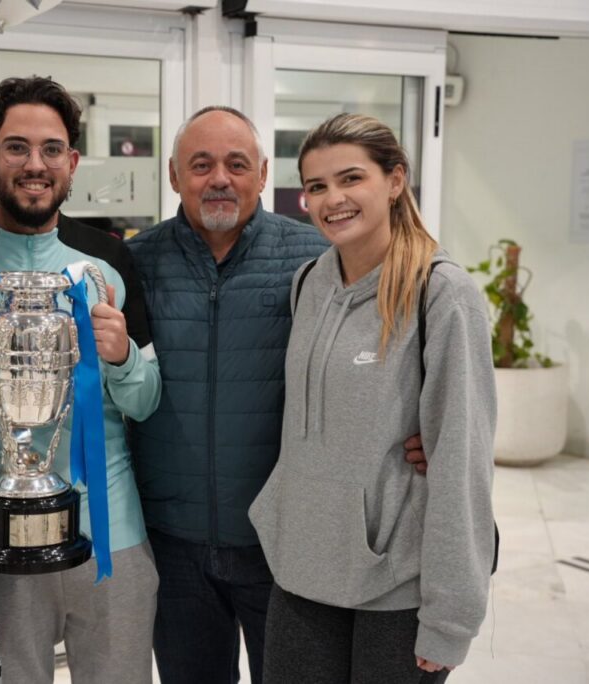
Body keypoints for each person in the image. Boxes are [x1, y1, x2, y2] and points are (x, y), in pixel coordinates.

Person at [249, 113, 496, 683]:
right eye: (316, 186)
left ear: (394, 180)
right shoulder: (309, 282)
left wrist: (450, 617)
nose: (332, 198)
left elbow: (461, 464)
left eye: (350, 178)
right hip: (301, 572)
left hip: (394, 586)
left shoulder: (442, 293)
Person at [0, 76, 162, 684]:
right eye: (16, 148)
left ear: (72, 162)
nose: (34, 165)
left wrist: (122, 358)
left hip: (112, 537)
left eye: (51, 149)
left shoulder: (110, 260)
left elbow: (146, 403)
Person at [125, 106, 329, 683]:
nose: (219, 178)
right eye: (201, 164)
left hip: (281, 546)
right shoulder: (134, 264)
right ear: (173, 176)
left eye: (236, 164)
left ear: (263, 175)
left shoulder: (313, 261)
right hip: (172, 545)